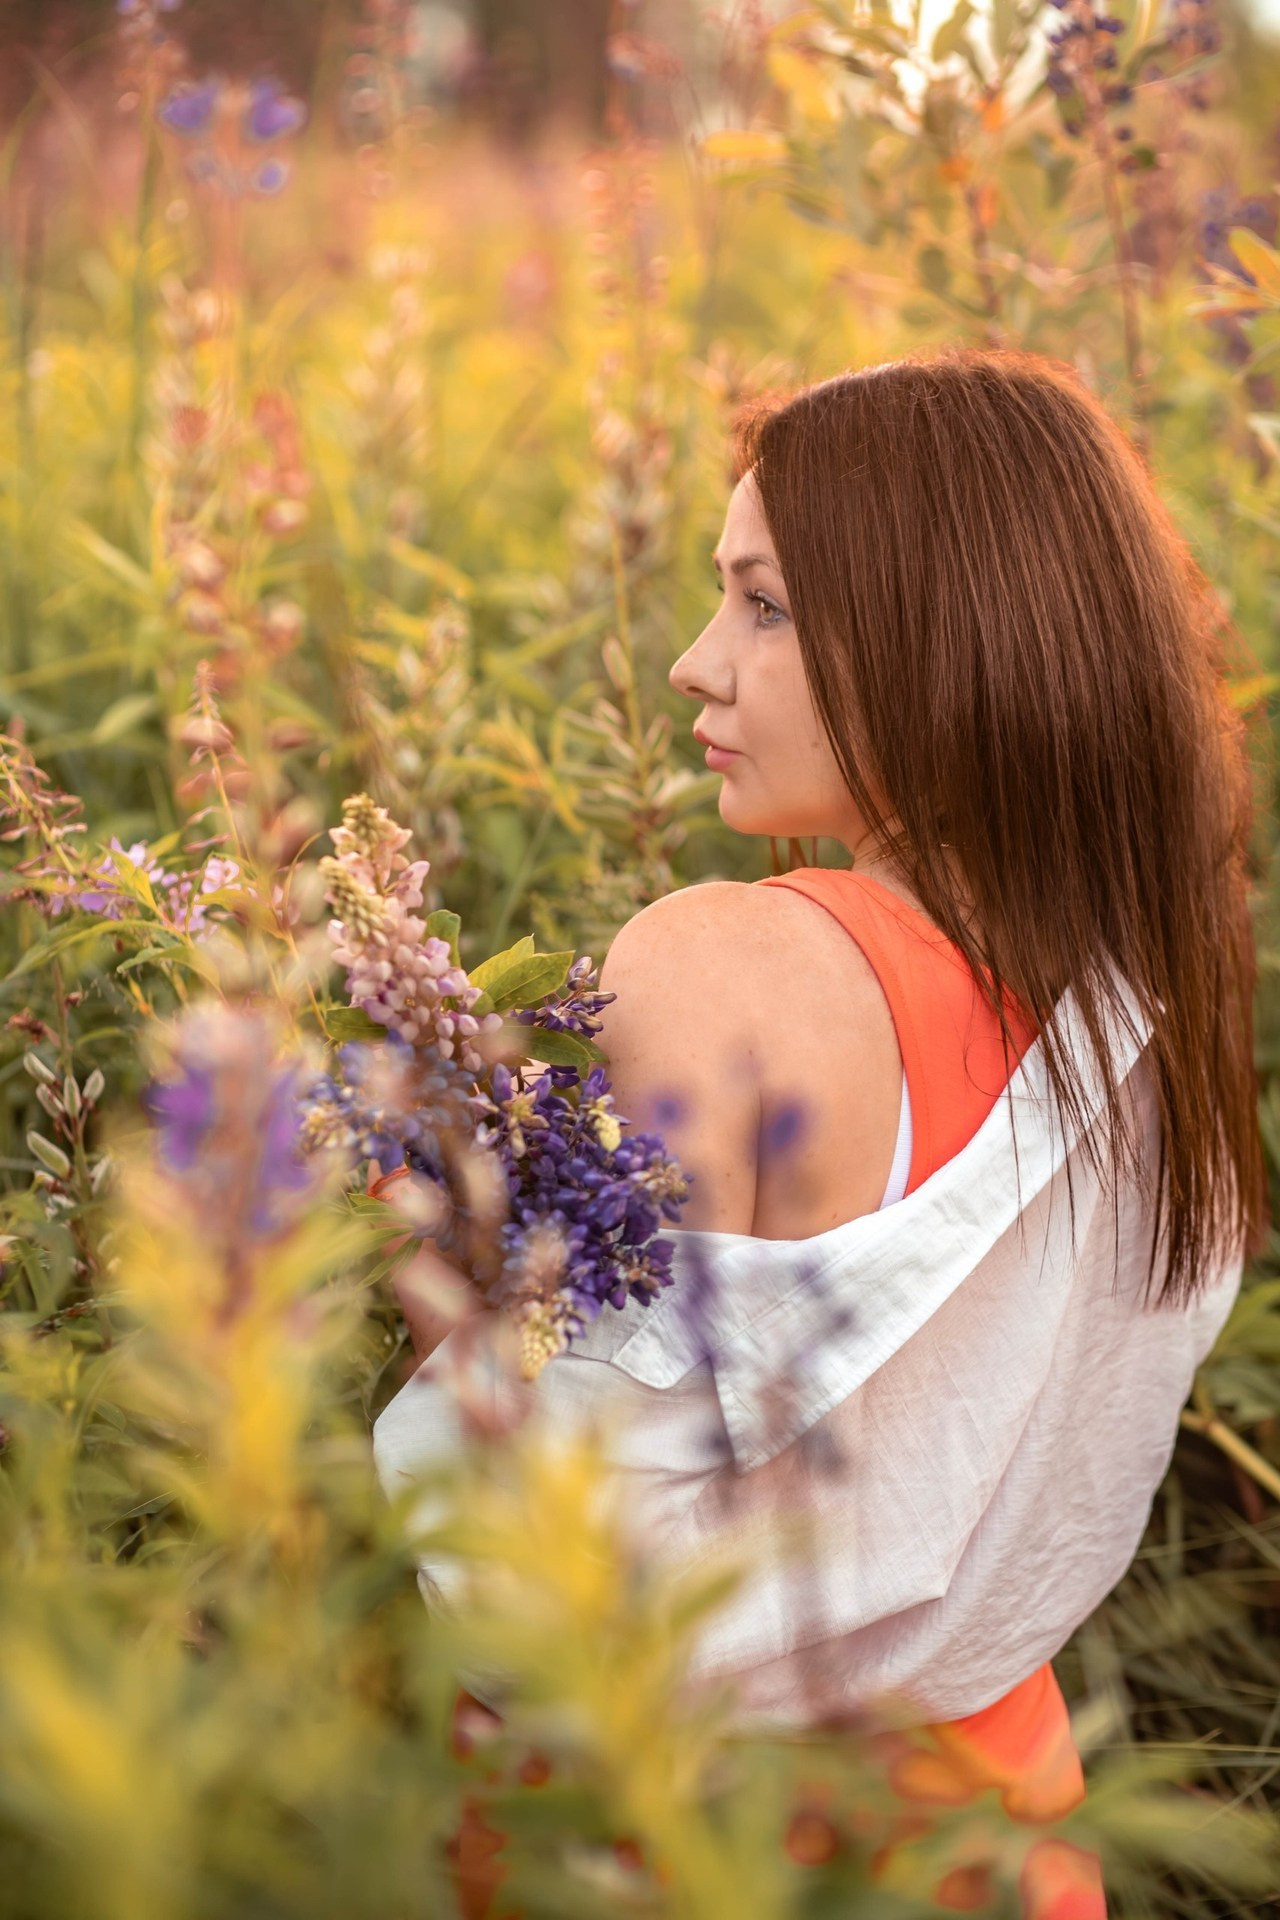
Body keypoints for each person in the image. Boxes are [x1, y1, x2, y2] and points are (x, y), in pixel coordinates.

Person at [373, 347, 1270, 1917]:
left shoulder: (728, 967)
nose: (694, 665)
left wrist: (427, 1258)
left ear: (951, 636)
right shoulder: (1151, 1006)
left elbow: (550, 1557)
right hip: (1000, 1839)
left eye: (764, 607)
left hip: (683, 1847)